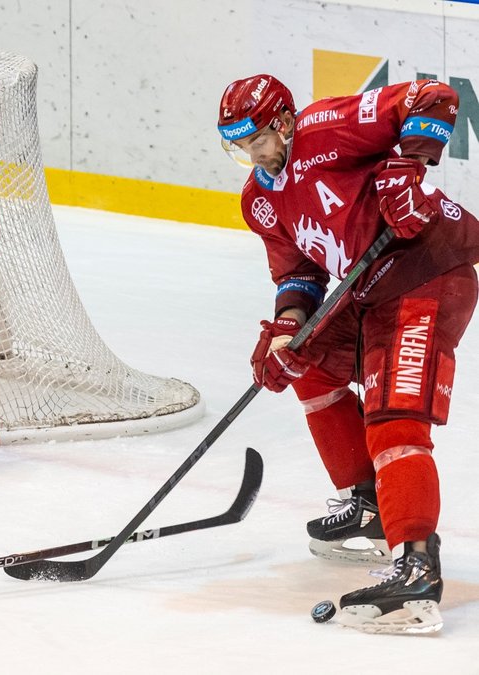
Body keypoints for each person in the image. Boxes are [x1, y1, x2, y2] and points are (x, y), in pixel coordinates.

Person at [217, 74, 479, 633]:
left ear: (284, 124)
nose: (248, 154)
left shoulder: (327, 127)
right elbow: (299, 273)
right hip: (365, 289)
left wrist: (409, 167)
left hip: (427, 269)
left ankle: (415, 564)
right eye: (236, 144)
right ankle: (368, 508)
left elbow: (432, 96)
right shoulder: (259, 199)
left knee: (394, 417)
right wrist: (287, 331)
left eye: (256, 139)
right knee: (305, 363)